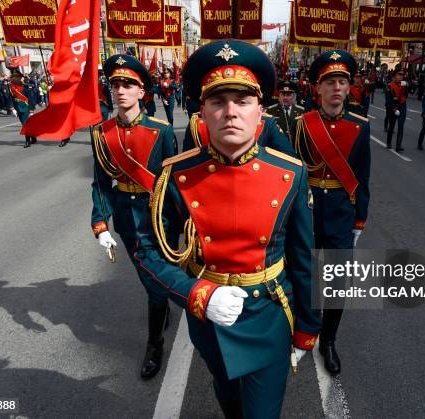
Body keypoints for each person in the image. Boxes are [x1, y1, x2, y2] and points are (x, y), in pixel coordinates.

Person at [137, 40, 320, 418]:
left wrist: (307, 326)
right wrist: (197, 294)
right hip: (208, 316)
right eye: (218, 101)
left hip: (269, 312)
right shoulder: (176, 174)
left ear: (260, 111)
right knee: (226, 392)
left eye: (243, 100)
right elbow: (148, 252)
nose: (230, 112)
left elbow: (303, 259)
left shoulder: (290, 173)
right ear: (202, 110)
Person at [90, 54, 177, 379]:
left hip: (158, 219)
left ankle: (154, 345)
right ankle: (160, 303)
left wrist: (184, 222)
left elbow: (175, 182)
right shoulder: (102, 133)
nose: (121, 90)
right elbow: (100, 183)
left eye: (128, 84)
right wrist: (100, 223)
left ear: (142, 92)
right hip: (126, 218)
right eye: (115, 85)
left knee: (155, 282)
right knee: (147, 277)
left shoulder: (162, 130)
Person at [294, 49, 371, 376]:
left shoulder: (360, 126)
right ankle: (304, 334)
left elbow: (363, 176)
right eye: (330, 82)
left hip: (340, 213)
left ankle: (328, 341)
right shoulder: (302, 124)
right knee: (305, 277)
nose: (337, 87)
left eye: (343, 81)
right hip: (308, 212)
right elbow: (294, 172)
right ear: (318, 89)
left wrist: (359, 219)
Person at [385, 67, 408, 152]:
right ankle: (389, 142)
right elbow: (388, 100)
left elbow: (406, 95)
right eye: (399, 74)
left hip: (402, 107)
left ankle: (398, 145)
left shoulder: (404, 85)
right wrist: (394, 109)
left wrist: (406, 86)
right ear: (394, 76)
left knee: (401, 126)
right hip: (393, 107)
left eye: (402, 75)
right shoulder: (389, 86)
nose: (401, 76)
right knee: (391, 126)